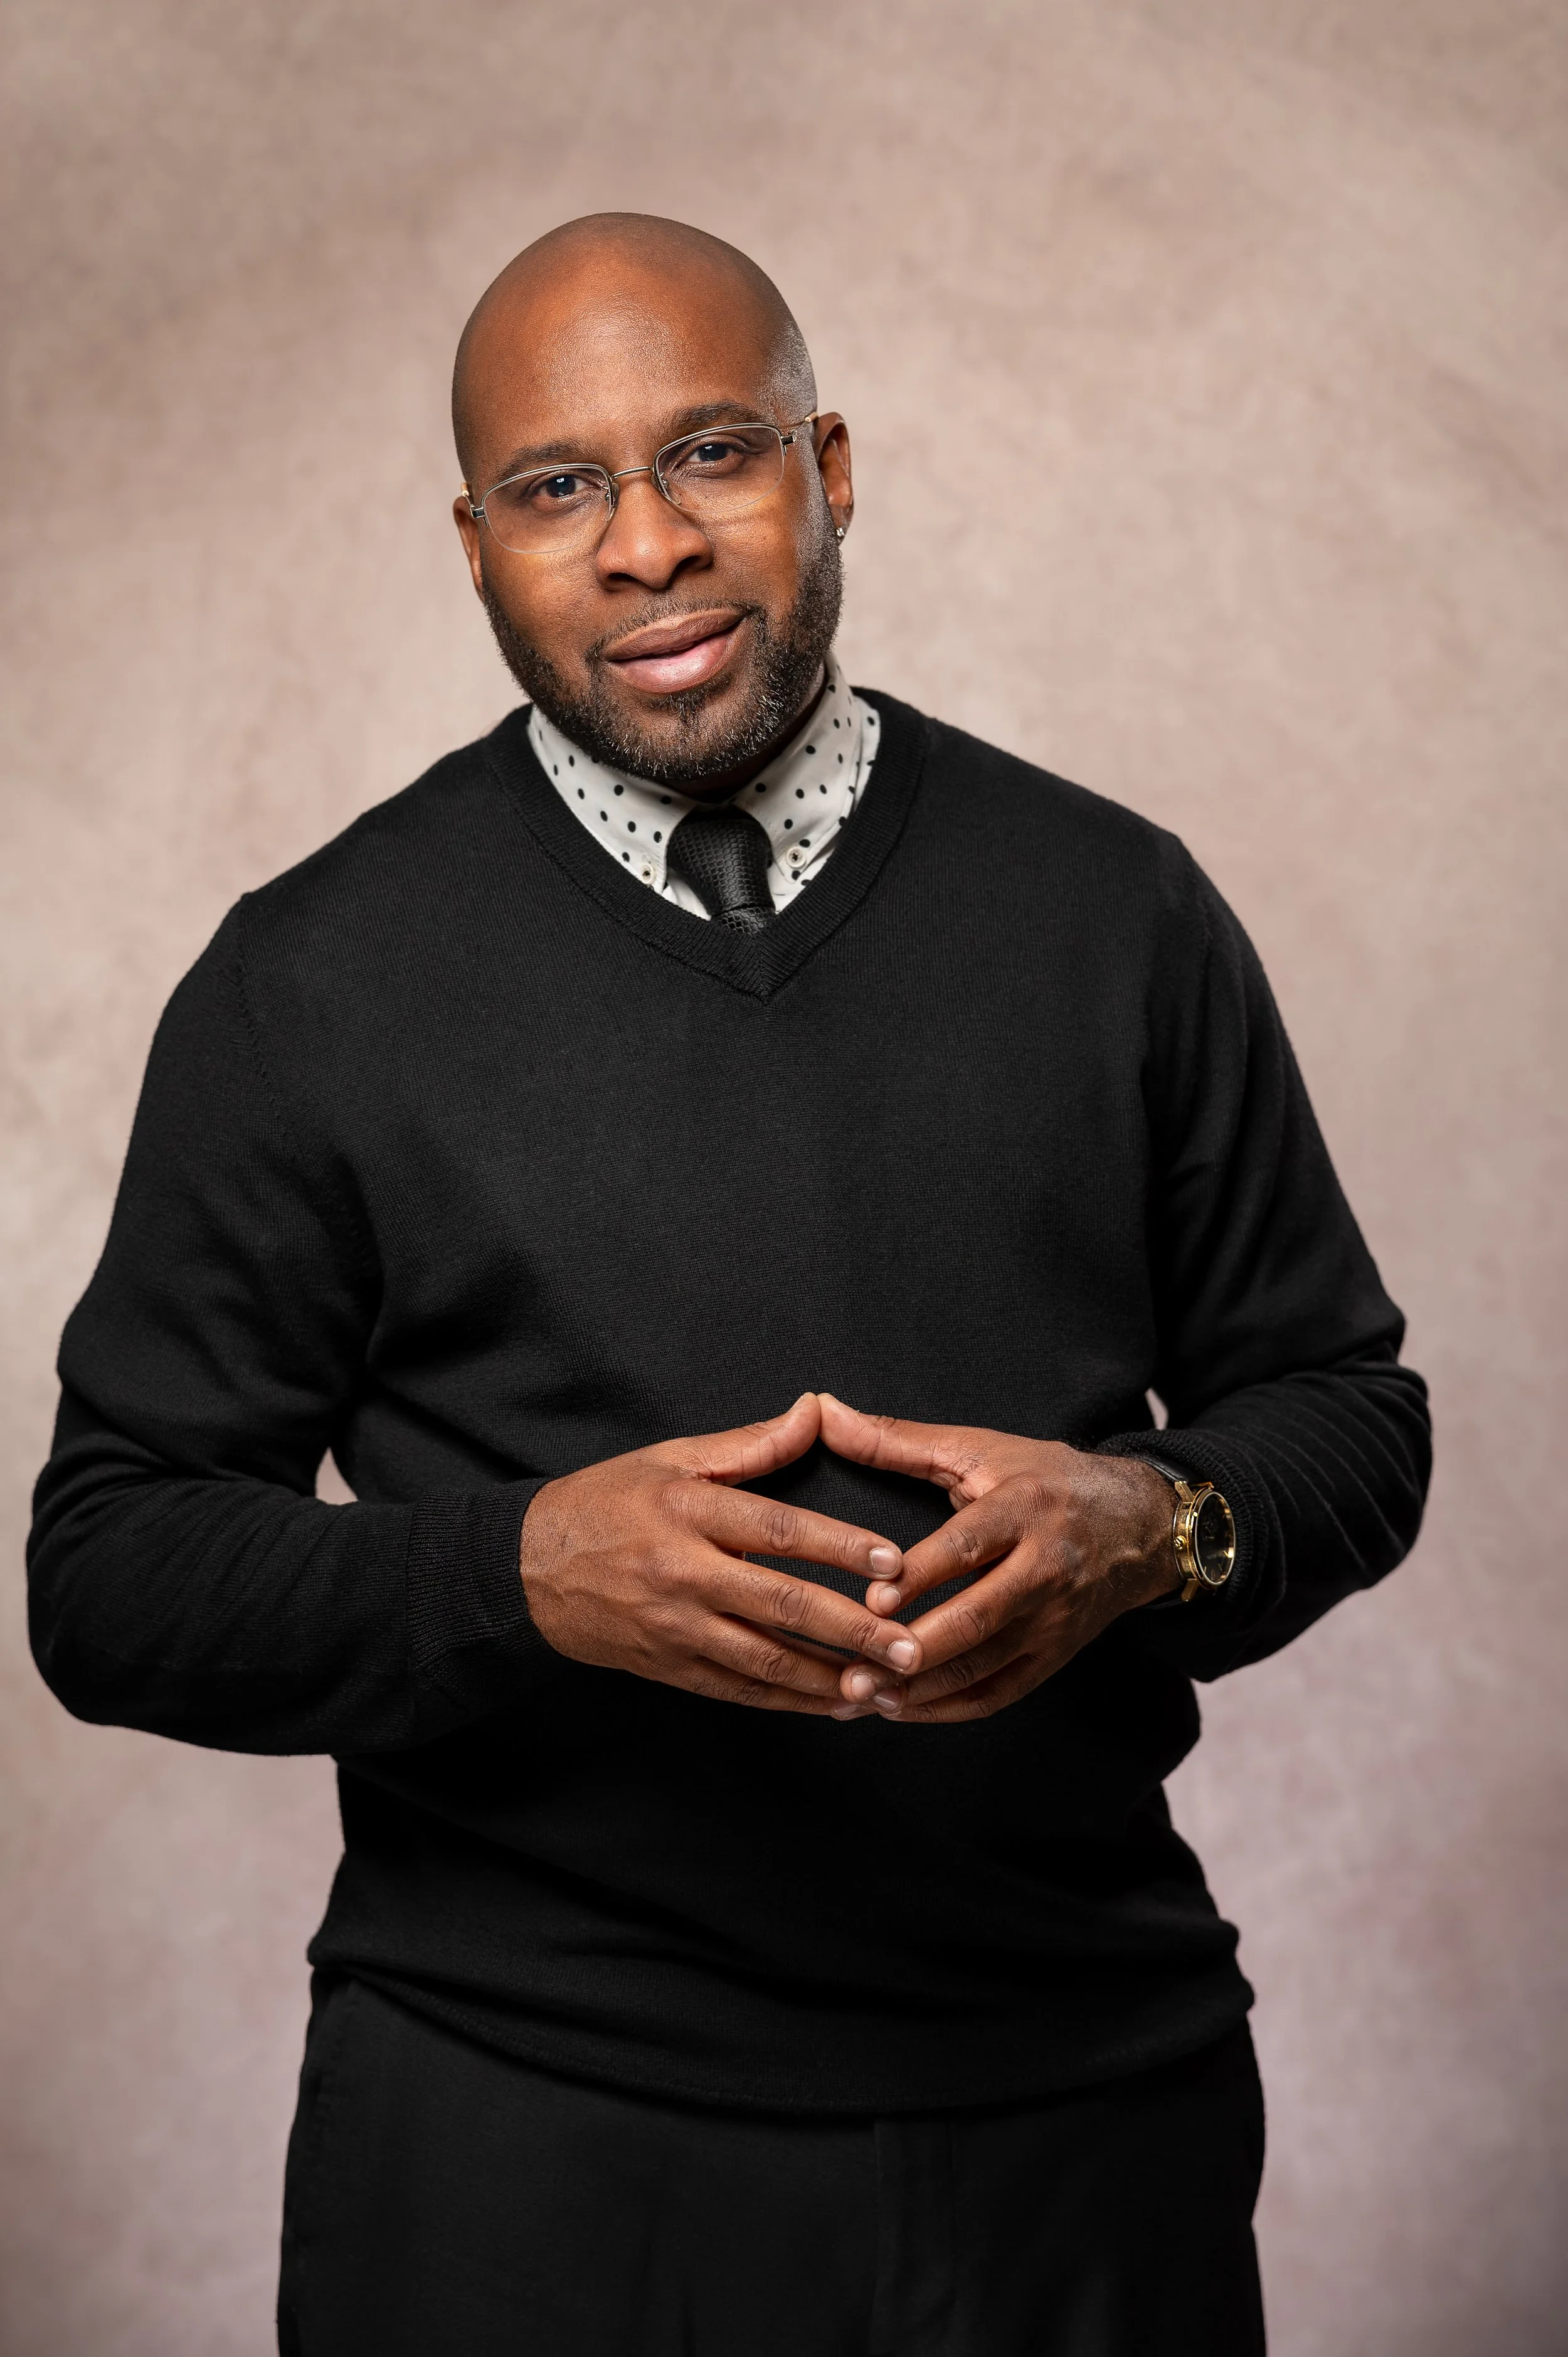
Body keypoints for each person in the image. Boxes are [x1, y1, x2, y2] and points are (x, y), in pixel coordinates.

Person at [28, 213, 1431, 2356]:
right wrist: (514, 1577)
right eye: (557, 486)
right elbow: (111, 1571)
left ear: (829, 464)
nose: (646, 545)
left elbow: (1344, 1406)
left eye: (710, 453)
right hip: (520, 2146)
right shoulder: (307, 981)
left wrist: (1152, 1527)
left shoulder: (1113, 907)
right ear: (476, 542)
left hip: (1079, 2113)